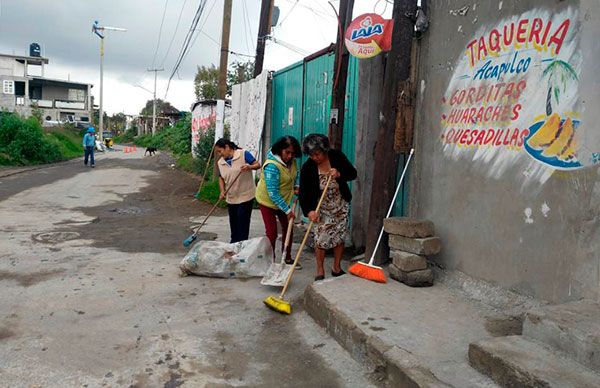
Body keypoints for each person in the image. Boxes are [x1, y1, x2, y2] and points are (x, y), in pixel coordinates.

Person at [299, 134, 357, 281]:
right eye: (311, 155)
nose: (314, 157)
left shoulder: (336, 157)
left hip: (340, 204)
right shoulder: (307, 167)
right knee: (321, 239)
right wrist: (309, 211)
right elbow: (304, 193)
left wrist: (339, 174)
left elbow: (353, 174)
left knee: (339, 236)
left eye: (317, 154)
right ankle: (320, 270)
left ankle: (336, 268)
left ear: (324, 150)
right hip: (321, 207)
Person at [255, 136, 301, 268]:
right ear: (280, 150)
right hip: (267, 200)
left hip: (285, 198)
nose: (290, 156)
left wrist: (297, 186)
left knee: (288, 228)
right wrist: (287, 211)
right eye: (287, 152)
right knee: (272, 232)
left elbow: (296, 174)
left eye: (292, 153)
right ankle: (270, 261)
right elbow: (273, 193)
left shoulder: (292, 161)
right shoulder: (271, 165)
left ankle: (287, 257)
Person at [214, 138, 260, 243]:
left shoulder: (243, 154)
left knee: (242, 221)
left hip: (246, 195)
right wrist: (222, 191)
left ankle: (242, 244)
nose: (220, 154)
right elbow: (220, 178)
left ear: (227, 147)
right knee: (234, 223)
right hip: (231, 197)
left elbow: (258, 165)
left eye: (220, 151)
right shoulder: (220, 163)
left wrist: (249, 167)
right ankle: (234, 243)